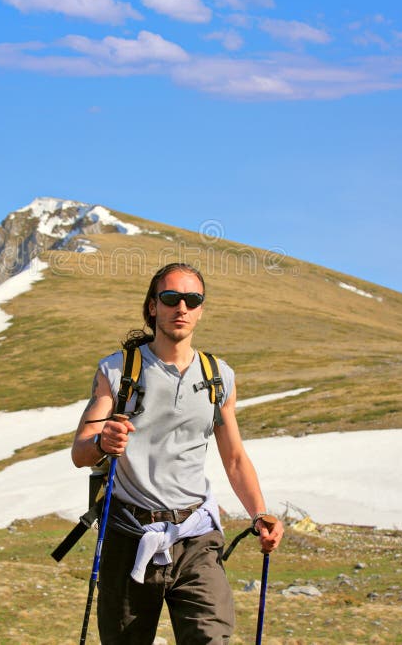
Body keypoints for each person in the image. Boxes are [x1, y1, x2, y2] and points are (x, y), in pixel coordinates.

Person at [72, 262, 284, 644]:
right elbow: (79, 452)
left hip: (197, 536)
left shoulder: (218, 376)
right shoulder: (117, 371)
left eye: (192, 299)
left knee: (211, 638)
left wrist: (259, 514)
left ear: (201, 308)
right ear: (153, 306)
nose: (181, 307)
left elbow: (234, 458)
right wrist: (102, 443)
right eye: (170, 298)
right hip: (129, 533)